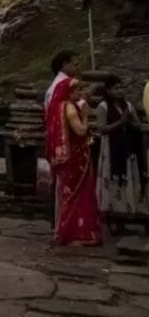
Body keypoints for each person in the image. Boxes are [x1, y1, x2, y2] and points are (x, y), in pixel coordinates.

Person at [46, 77, 102, 245]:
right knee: (78, 193)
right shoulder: (70, 108)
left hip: (68, 157)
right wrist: (85, 117)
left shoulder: (59, 106)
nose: (79, 93)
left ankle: (69, 230)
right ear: (69, 92)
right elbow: (80, 130)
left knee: (67, 193)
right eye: (77, 90)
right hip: (75, 156)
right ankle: (78, 232)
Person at [96, 75, 146, 217]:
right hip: (111, 148)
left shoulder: (128, 106)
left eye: (121, 88)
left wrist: (129, 123)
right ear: (108, 90)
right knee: (113, 178)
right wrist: (120, 122)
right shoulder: (103, 106)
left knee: (129, 176)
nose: (119, 91)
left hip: (127, 147)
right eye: (116, 88)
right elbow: (102, 128)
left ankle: (130, 208)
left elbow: (138, 125)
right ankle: (113, 211)